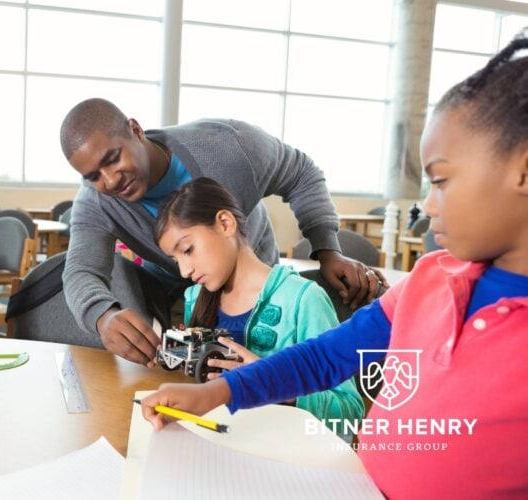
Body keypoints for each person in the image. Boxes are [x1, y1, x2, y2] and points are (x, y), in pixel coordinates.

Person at [141, 33, 528, 498]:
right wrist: (216, 393)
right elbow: (325, 357)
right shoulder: (427, 279)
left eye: (441, 181)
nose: (427, 206)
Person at [60, 98, 386, 367]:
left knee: (268, 365)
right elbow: (80, 270)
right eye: (93, 176)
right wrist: (102, 316)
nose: (110, 180)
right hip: (186, 302)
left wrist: (327, 249)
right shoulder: (96, 202)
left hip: (256, 284)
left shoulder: (227, 146)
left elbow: (301, 173)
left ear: (135, 130)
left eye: (113, 159)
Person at [155, 177, 363, 434]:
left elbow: (350, 411)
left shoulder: (303, 300)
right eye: (176, 260)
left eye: (187, 250)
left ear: (225, 223)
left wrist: (273, 383)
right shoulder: (194, 298)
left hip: (282, 449)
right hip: (217, 440)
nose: (184, 271)